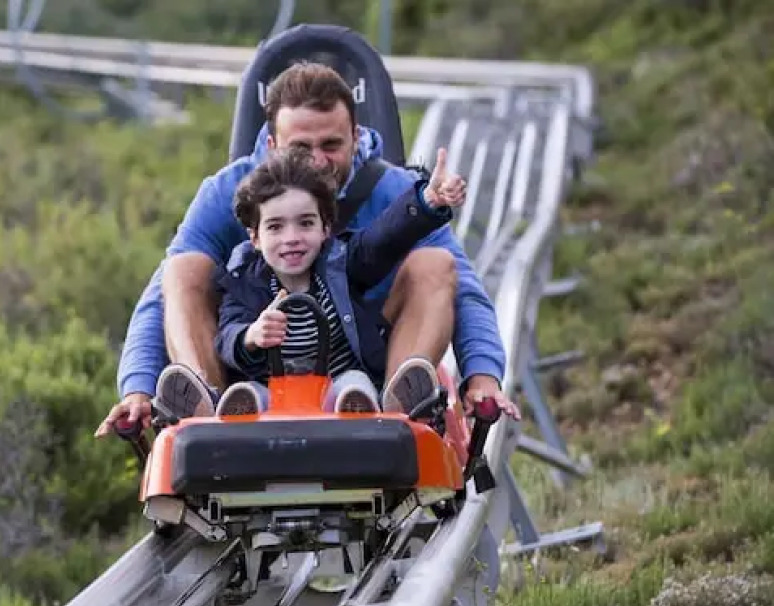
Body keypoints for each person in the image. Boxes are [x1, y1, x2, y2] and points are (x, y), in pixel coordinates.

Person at [96, 61, 521, 438]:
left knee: (435, 262)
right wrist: (138, 388)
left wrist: (482, 376)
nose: (318, 161)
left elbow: (459, 284)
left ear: (355, 137)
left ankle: (398, 415)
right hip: (256, 372)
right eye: (302, 148)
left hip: (364, 359)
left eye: (331, 145)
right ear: (272, 146)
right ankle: (202, 417)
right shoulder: (227, 193)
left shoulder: (393, 190)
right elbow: (164, 296)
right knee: (181, 268)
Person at [204, 142, 469, 417]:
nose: (291, 237)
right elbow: (227, 333)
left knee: (355, 383)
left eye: (306, 223)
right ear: (256, 238)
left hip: (335, 388)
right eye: (275, 227)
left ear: (325, 229)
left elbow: (384, 237)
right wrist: (250, 335)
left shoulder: (340, 264)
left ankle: (357, 411)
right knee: (251, 391)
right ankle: (241, 415)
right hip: (275, 396)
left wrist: (426, 202)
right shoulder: (244, 282)